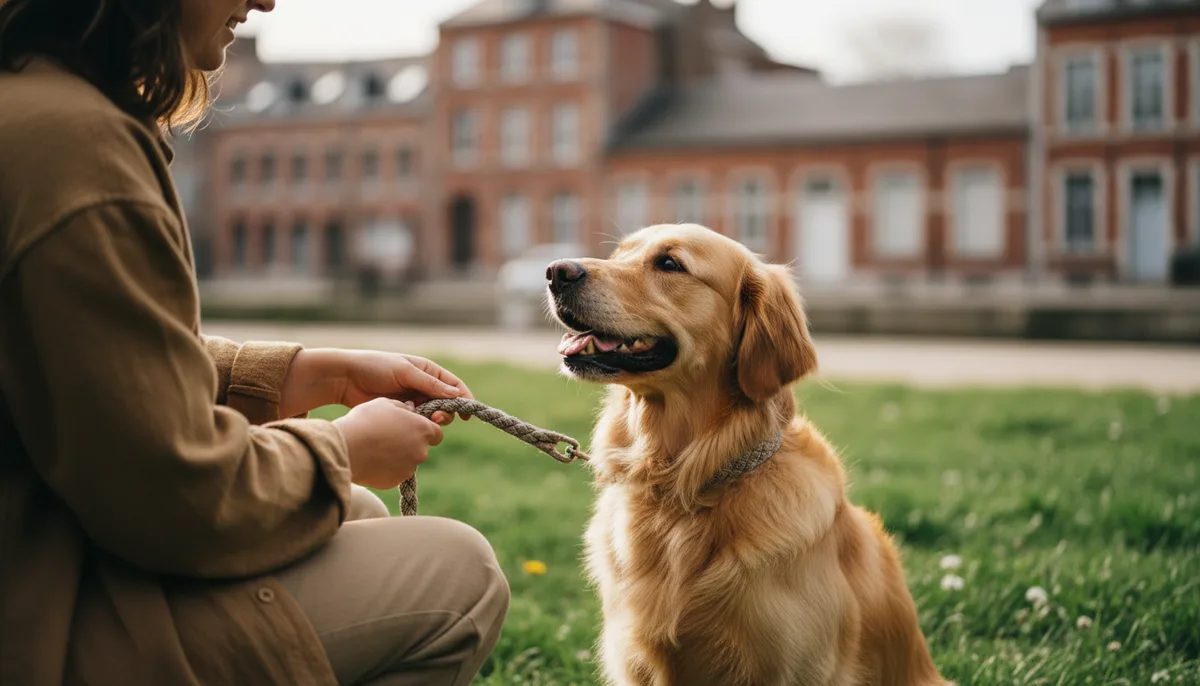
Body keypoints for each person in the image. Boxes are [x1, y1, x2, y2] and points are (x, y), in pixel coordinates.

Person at [0, 0, 510, 684]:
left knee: (354, 514)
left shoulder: (29, 105)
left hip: (35, 551)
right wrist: (345, 450)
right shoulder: (76, 146)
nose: (266, 1)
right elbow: (169, 498)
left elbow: (76, 358)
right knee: (457, 570)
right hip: (38, 617)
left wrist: (303, 374)